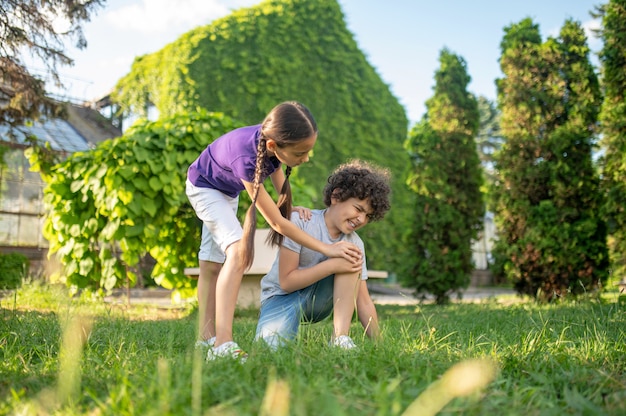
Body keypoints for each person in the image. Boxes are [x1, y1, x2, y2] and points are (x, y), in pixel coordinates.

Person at [186, 101, 361, 361]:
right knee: (236, 252)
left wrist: (292, 206)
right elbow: (277, 223)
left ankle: (205, 339)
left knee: (211, 264)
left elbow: (281, 200)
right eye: (301, 152)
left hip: (226, 192)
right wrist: (326, 247)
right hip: (204, 188)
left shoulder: (271, 144)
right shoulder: (246, 156)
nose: (306, 158)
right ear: (273, 146)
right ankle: (222, 344)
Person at [255, 159, 391, 350]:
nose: (361, 218)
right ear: (336, 196)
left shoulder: (355, 243)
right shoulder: (302, 222)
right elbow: (286, 282)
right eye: (358, 208)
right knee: (272, 348)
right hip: (281, 297)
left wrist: (381, 344)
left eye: (368, 215)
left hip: (319, 303)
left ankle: (339, 338)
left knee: (349, 256)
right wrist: (332, 266)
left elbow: (364, 300)